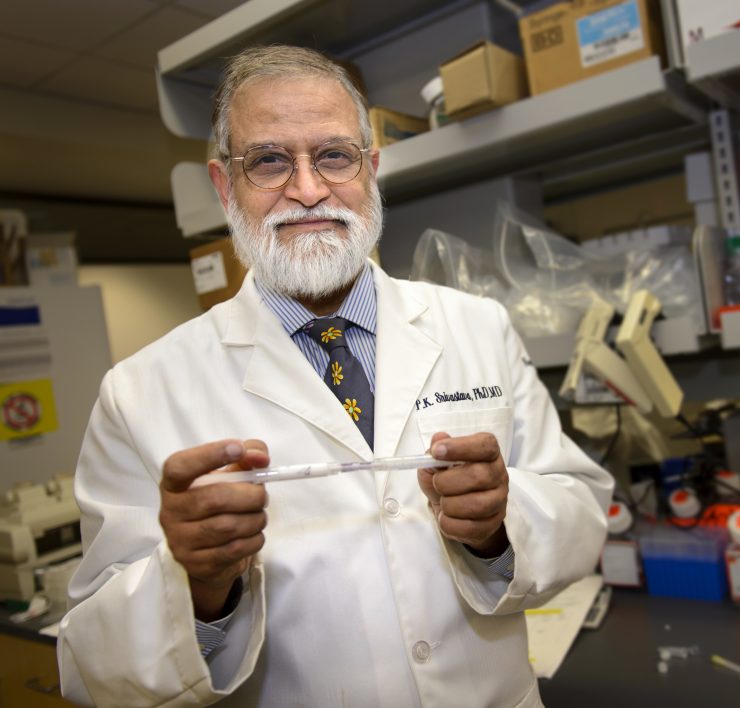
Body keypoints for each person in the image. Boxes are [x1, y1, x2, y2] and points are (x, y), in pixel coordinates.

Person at [57, 45, 612, 707]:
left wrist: (500, 523)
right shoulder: (140, 392)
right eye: (268, 160)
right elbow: (90, 666)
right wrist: (196, 584)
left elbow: (580, 512)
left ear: (371, 169)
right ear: (224, 186)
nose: (308, 189)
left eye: (333, 155)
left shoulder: (477, 326)